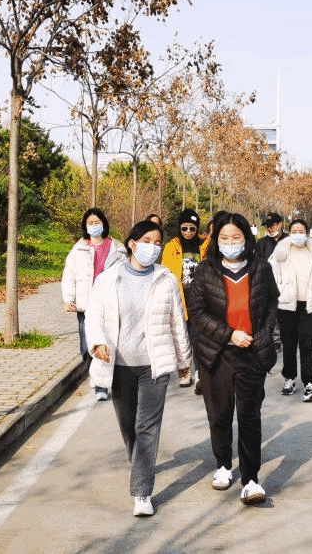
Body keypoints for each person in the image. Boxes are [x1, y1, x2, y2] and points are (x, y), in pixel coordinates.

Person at [85, 220, 192, 517]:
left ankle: (142, 491)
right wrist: (97, 342)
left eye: (157, 242)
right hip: (119, 364)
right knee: (128, 423)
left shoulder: (165, 279)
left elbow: (177, 322)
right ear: (132, 243)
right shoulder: (109, 279)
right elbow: (94, 315)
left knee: (147, 426)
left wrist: (184, 362)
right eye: (146, 241)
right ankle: (139, 465)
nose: (153, 247)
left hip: (153, 365)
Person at [186, 211, 278, 505]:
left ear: (246, 239)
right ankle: (224, 464)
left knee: (249, 416)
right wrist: (228, 334)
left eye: (235, 237)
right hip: (217, 354)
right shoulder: (206, 271)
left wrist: (264, 333)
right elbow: (197, 312)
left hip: (251, 352)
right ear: (216, 240)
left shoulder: (261, 268)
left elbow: (271, 303)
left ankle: (251, 479)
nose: (230, 242)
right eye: (224, 238)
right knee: (219, 414)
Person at [62, 207, 127, 401]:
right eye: (90, 223)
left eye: (97, 222)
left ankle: (101, 385)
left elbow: (125, 276)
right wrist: (68, 298)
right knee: (86, 347)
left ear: (104, 224)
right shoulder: (78, 249)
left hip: (109, 305)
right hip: (85, 305)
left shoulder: (117, 249)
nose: (93, 226)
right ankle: (96, 375)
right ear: (85, 226)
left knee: (106, 343)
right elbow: (69, 274)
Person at [268, 219, 312, 402]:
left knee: (307, 345)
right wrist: (274, 299)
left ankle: (310, 383)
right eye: (294, 231)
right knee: (289, 345)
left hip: (309, 306)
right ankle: (289, 378)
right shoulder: (280, 253)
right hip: (286, 306)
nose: (297, 234)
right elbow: (270, 279)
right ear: (289, 233)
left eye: (301, 230)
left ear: (307, 232)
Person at [162, 208, 209, 388]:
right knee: (181, 338)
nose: (188, 232)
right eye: (184, 228)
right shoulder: (171, 247)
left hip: (200, 300)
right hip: (179, 298)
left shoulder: (204, 246)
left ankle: (200, 373)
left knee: (198, 338)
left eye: (192, 228)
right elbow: (165, 272)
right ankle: (184, 370)